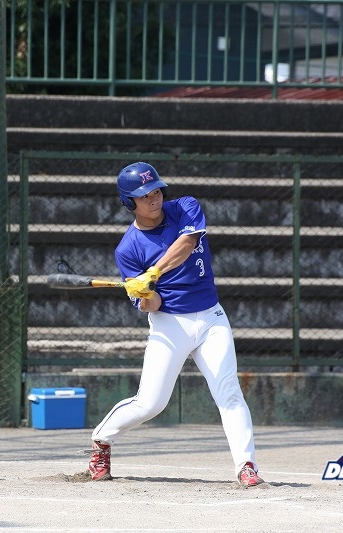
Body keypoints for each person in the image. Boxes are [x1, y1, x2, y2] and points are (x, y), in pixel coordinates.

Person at [86, 162, 265, 487]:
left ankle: (246, 466)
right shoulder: (128, 249)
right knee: (151, 403)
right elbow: (151, 306)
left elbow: (187, 244)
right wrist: (144, 292)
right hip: (169, 324)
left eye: (155, 190)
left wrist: (153, 272)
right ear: (129, 202)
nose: (153, 198)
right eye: (144, 195)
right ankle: (102, 440)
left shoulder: (185, 208)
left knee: (228, 392)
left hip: (211, 317)